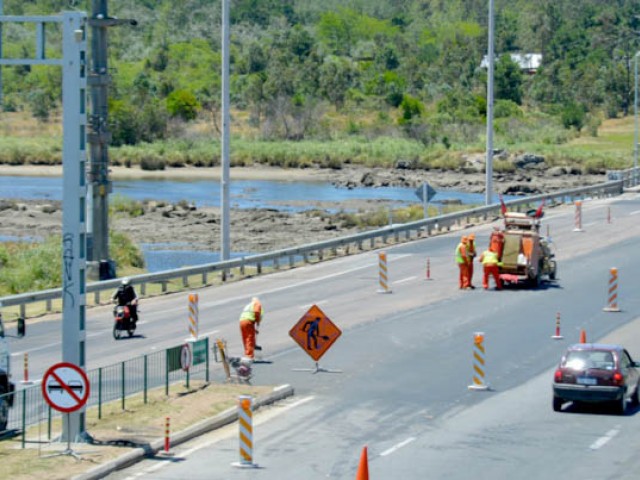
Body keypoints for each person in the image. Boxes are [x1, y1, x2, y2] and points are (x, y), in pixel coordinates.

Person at [239, 297, 264, 362]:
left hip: (242, 321)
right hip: (248, 322)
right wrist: (258, 321)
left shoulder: (249, 305)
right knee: (250, 339)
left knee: (245, 338)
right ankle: (249, 356)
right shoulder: (257, 303)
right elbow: (256, 312)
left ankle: (247, 354)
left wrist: (254, 330)